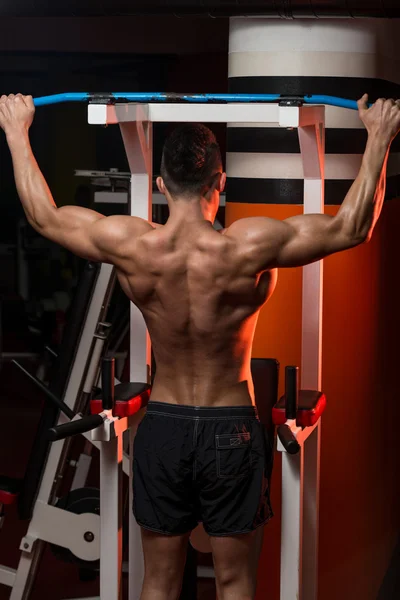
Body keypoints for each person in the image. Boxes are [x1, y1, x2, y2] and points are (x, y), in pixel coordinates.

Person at [0, 92, 399, 600]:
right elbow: (352, 227)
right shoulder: (248, 246)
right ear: (220, 182)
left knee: (159, 582)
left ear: (162, 184)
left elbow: (45, 217)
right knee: (234, 582)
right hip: (229, 427)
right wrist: (380, 136)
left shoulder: (132, 244)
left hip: (162, 428)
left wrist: (16, 130)